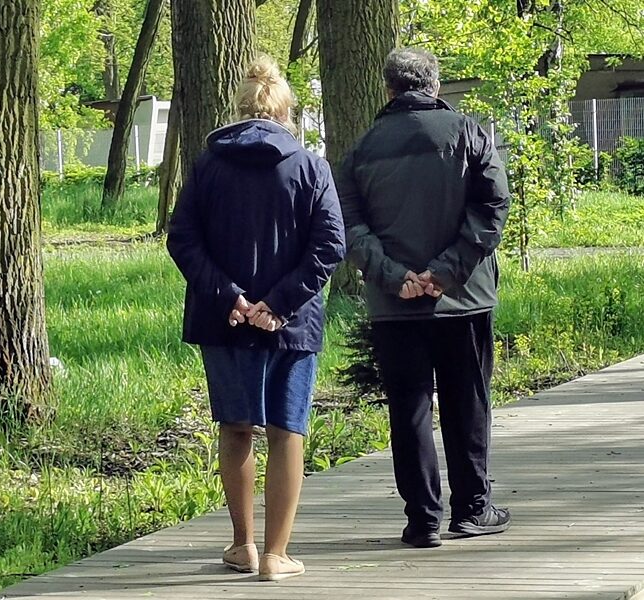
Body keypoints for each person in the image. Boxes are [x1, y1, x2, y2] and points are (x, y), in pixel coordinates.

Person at [166, 57, 346, 581]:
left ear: (239, 110)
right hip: (291, 323)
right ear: (286, 112)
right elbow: (330, 245)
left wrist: (231, 298)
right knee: (287, 430)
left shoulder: (207, 165)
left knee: (236, 425)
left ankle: (242, 545)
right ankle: (276, 555)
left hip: (224, 320)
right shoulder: (310, 166)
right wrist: (278, 304)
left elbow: (183, 238)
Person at [337, 48, 511, 549]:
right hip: (464, 298)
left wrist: (396, 277)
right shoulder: (470, 133)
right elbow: (493, 205)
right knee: (467, 402)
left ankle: (422, 519)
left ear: (389, 89)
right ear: (434, 86)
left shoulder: (361, 149)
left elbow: (349, 224)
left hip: (396, 305)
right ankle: (472, 509)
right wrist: (445, 272)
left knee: (409, 408)